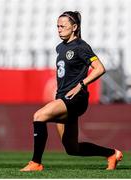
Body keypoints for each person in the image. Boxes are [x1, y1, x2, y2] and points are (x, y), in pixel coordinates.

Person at [20, 11, 123, 171]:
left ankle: (36, 163)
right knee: (72, 149)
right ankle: (111, 154)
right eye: (58, 26)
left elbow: (99, 68)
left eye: (63, 26)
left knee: (39, 116)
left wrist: (81, 84)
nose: (59, 29)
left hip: (76, 98)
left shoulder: (81, 47)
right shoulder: (60, 47)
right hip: (64, 98)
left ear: (74, 27)